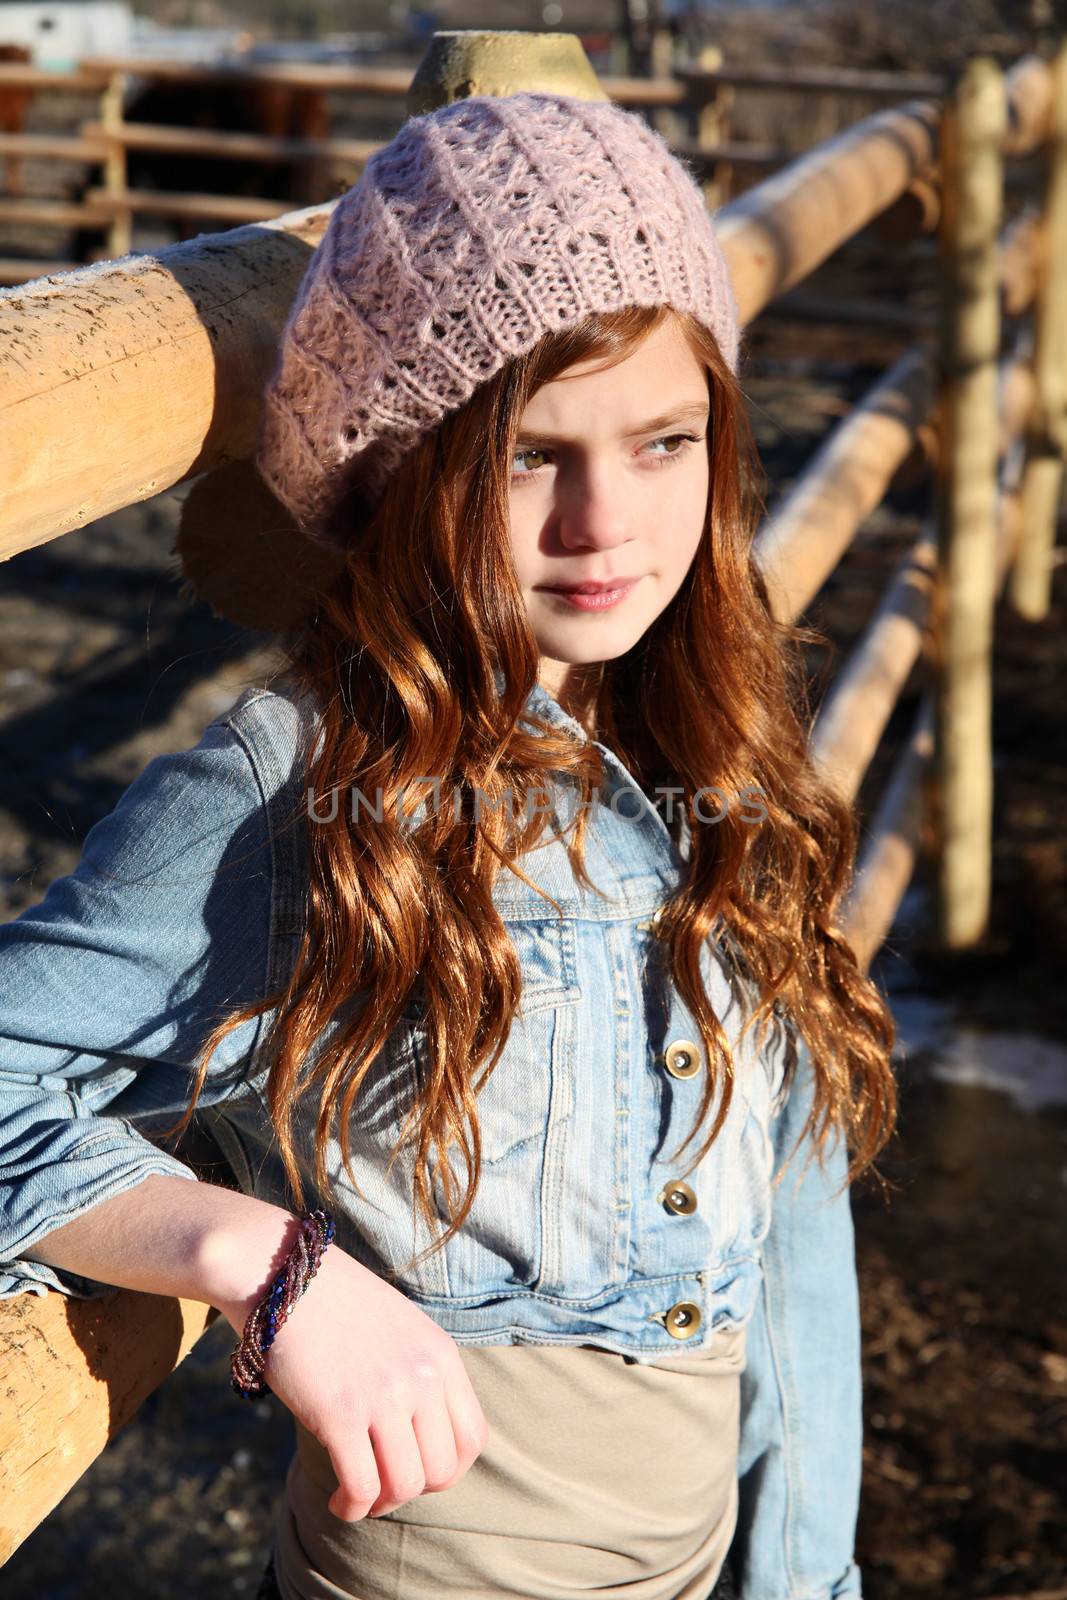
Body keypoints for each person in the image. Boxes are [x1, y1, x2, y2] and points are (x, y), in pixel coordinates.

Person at [0, 91, 897, 1600]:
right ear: (402, 472)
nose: (606, 522)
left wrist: (809, 1576)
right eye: (532, 456)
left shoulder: (728, 753)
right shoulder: (292, 796)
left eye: (663, 439)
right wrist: (255, 1261)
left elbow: (794, 1241)